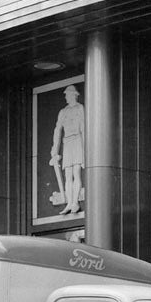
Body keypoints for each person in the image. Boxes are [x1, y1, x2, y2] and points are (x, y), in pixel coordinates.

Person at [50, 84, 85, 214]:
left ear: (73, 95)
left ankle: (75, 202)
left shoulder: (80, 108)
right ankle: (69, 203)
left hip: (77, 140)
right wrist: (55, 149)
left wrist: (86, 150)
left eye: (67, 94)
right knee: (67, 175)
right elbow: (57, 130)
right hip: (67, 142)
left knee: (76, 173)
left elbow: (83, 128)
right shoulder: (63, 112)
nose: (66, 97)